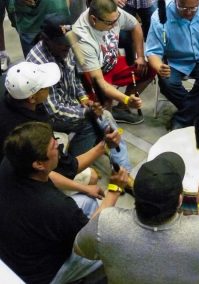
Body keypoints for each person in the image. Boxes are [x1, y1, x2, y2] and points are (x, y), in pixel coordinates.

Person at [0, 121, 128, 283]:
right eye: (54, 146)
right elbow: (89, 240)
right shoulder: (56, 206)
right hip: (38, 274)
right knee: (111, 248)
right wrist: (114, 190)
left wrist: (102, 147)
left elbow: (49, 175)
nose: (59, 148)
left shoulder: (11, 162)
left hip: (15, 249)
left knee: (87, 200)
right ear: (39, 164)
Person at [74, 151, 199, 283]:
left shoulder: (106, 223)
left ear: (135, 194)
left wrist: (113, 190)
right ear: (179, 201)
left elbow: (80, 248)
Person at [26, 13, 133, 174]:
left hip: (69, 105)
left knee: (106, 117)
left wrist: (83, 98)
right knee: (93, 122)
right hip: (47, 117)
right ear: (46, 40)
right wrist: (87, 112)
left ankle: (123, 170)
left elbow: (74, 78)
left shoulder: (65, 48)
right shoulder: (38, 63)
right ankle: (75, 165)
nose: (68, 47)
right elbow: (53, 111)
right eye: (63, 44)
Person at [0, 61, 108, 199]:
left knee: (62, 137)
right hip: (22, 181)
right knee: (91, 176)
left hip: (13, 163)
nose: (50, 88)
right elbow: (67, 168)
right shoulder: (30, 131)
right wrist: (102, 146)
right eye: (44, 87)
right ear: (32, 98)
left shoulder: (9, 90)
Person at [145, 0, 199, 129]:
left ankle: (182, 119)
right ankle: (192, 114)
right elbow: (152, 51)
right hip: (175, 60)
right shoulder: (160, 16)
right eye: (183, 8)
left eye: (194, 8)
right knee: (167, 83)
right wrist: (159, 67)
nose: (189, 12)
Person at [72, 0, 155, 124]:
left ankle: (121, 110)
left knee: (150, 68)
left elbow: (135, 25)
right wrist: (127, 99)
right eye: (110, 23)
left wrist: (140, 56)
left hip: (111, 63)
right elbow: (99, 82)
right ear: (94, 19)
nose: (115, 25)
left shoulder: (112, 14)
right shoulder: (82, 37)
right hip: (92, 74)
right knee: (103, 109)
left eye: (117, 20)